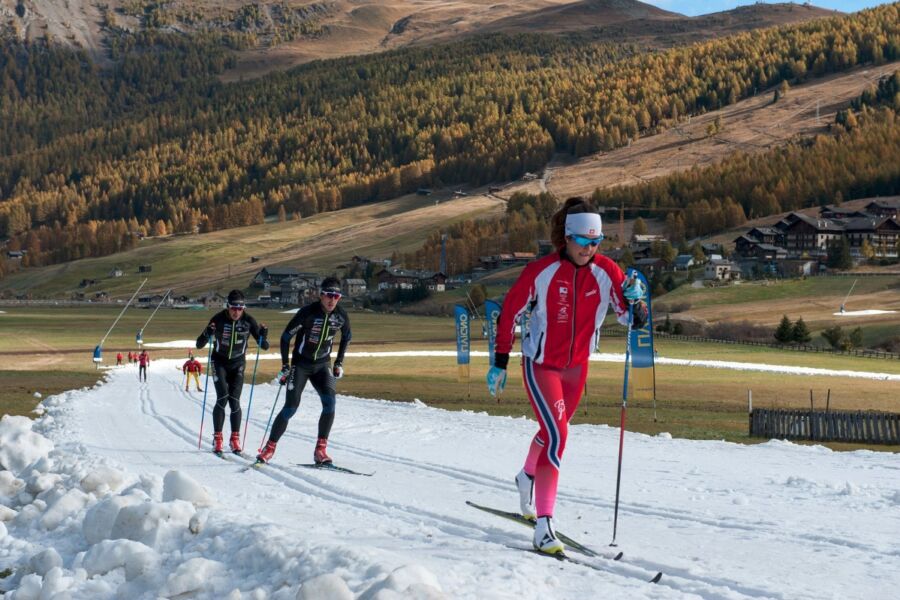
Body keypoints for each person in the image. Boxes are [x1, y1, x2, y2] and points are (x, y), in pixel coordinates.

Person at [486, 197, 648, 555]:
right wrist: (499, 361)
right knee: (558, 436)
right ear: (566, 237)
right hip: (541, 364)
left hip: (577, 368)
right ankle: (544, 525)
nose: (590, 250)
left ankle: (526, 476)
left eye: (597, 243)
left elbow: (630, 317)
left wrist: (637, 301)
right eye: (583, 242)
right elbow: (510, 312)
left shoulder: (607, 271)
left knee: (551, 433)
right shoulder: (540, 272)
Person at [257, 277, 351, 465]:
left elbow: (347, 337)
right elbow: (285, 338)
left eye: (336, 296)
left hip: (323, 365)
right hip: (300, 365)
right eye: (329, 296)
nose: (332, 300)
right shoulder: (307, 313)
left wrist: (339, 362)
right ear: (321, 295)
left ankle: (320, 451)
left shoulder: (341, 315)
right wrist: (285, 365)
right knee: (291, 406)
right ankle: (269, 448)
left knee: (330, 403)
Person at [196, 290, 269, 455]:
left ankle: (234, 438)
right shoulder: (218, 318)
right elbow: (199, 344)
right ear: (228, 306)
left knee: (234, 401)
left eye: (240, 308)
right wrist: (207, 333)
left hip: (238, 364)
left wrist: (264, 336)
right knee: (222, 397)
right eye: (233, 308)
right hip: (219, 362)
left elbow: (264, 346)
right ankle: (218, 437)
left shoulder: (249, 320)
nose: (236, 312)